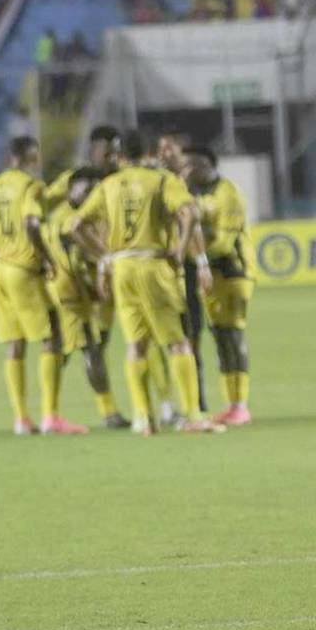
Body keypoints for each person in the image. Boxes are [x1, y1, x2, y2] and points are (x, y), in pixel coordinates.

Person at [65, 130, 223, 435]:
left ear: (121, 156)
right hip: (153, 265)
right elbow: (189, 213)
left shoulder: (108, 185)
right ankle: (193, 415)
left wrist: (105, 258)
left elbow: (75, 225)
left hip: (122, 268)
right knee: (178, 341)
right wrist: (182, 249)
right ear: (147, 152)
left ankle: (143, 418)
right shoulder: (162, 180)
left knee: (136, 344)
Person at [0, 136, 87, 435]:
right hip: (24, 269)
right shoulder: (30, 187)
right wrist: (48, 259)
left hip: (0, 270)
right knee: (53, 336)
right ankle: (50, 416)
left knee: (15, 343)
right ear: (31, 158)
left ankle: (21, 419)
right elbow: (32, 224)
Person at [40, 168, 130, 429]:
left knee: (61, 351)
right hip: (69, 295)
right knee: (89, 348)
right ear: (71, 191)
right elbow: (81, 261)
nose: (92, 195)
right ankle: (109, 413)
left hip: (74, 294)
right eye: (86, 190)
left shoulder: (87, 217)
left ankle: (49, 414)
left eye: (96, 190)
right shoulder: (67, 221)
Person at [185, 146, 253, 425]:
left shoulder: (228, 193)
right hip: (211, 276)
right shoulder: (194, 194)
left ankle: (241, 404)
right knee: (219, 336)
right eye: (188, 166)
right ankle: (231, 403)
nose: (191, 171)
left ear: (209, 164)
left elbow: (224, 243)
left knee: (233, 334)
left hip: (234, 272)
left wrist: (193, 256)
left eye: (196, 165)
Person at [156, 129, 204, 419]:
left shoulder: (188, 185)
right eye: (161, 148)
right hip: (160, 267)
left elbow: (194, 224)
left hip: (183, 266)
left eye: (170, 148)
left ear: (182, 154)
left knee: (192, 335)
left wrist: (201, 263)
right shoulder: (158, 183)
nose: (164, 153)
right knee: (163, 337)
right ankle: (168, 403)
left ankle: (195, 401)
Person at [43, 125, 121, 212]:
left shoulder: (122, 177)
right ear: (94, 150)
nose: (113, 158)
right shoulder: (75, 177)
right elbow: (45, 201)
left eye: (117, 153)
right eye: (108, 153)